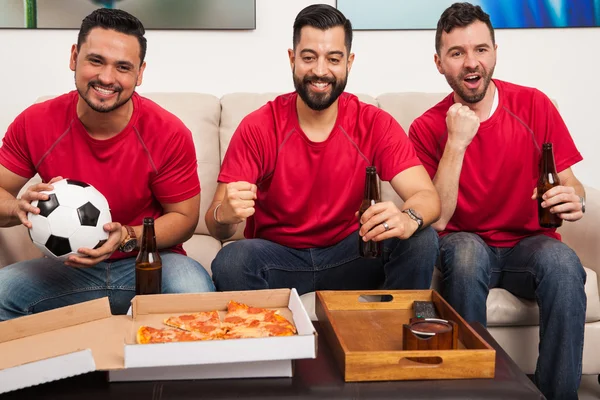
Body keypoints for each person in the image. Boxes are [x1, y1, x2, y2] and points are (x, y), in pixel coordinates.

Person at [408, 3, 586, 399]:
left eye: (481, 50)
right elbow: (436, 220)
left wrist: (575, 200)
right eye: (457, 53)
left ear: (495, 52)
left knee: (562, 262)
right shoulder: (424, 127)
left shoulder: (535, 106)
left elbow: (575, 185)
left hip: (529, 246)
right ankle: (477, 392)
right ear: (439, 63)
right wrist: (456, 143)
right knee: (468, 253)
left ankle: (559, 394)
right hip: (463, 241)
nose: (471, 63)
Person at [206, 4, 441, 295]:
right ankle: (267, 338)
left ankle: (389, 333)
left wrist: (409, 218)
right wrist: (225, 215)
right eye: (308, 57)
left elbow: (427, 197)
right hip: (279, 258)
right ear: (292, 59)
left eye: (333, 59)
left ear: (349, 62)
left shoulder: (374, 123)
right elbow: (215, 225)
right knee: (231, 260)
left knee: (421, 238)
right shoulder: (258, 126)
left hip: (352, 255)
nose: (320, 71)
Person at [0, 8, 215, 320]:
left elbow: (184, 217)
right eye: (95, 60)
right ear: (74, 57)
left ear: (140, 73)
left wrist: (128, 235)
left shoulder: (167, 132)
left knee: (194, 291)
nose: (106, 78)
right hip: (67, 268)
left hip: (148, 264)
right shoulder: (35, 122)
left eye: (123, 67)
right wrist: (16, 208)